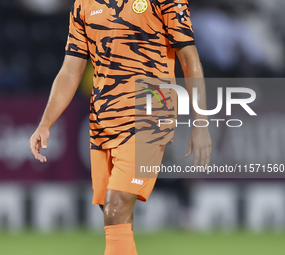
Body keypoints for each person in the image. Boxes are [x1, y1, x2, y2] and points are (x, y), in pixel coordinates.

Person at [29, 0, 212, 254]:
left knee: (115, 208)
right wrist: (45, 123)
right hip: (103, 119)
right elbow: (71, 69)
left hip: (150, 112)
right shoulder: (83, 4)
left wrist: (200, 123)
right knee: (116, 215)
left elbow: (189, 58)